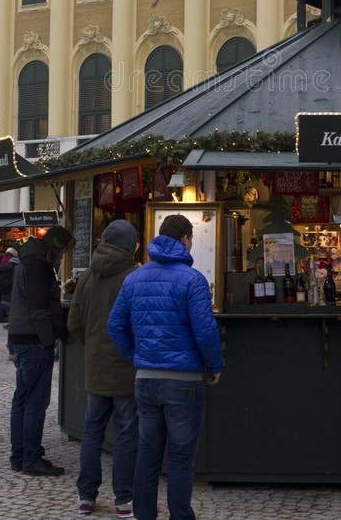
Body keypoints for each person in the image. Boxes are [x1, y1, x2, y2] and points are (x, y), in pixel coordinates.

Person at [108, 213, 223, 520]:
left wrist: (137, 357)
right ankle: (180, 516)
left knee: (147, 454)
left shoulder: (134, 277)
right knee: (181, 457)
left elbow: (115, 325)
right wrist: (214, 365)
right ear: (185, 239)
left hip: (145, 380)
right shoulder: (192, 279)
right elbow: (205, 331)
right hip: (183, 381)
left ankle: (145, 515)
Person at [68, 219, 139, 517]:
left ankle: (86, 497)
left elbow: (74, 324)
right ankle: (123, 499)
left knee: (92, 432)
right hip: (126, 369)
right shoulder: (134, 277)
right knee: (126, 434)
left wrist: (94, 344)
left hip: (95, 369)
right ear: (130, 245)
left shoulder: (86, 277)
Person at [8, 225, 74, 476]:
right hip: (33, 340)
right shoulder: (38, 265)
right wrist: (51, 339)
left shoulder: (28, 259)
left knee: (23, 399)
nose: (64, 256)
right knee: (35, 401)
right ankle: (30, 457)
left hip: (21, 336)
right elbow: (38, 308)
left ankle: (20, 454)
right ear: (57, 246)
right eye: (65, 250)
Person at [0, 247, 19, 323]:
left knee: (4, 301)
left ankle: (0, 317)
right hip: (10, 285)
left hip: (2, 286)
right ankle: (11, 318)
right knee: (9, 302)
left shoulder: (3, 262)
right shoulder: (14, 264)